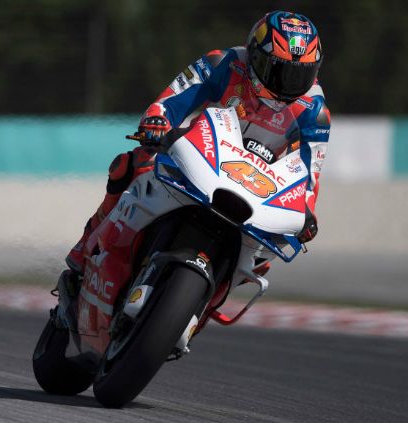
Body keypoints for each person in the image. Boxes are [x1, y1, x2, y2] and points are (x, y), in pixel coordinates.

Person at [58, 11, 330, 304]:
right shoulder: (223, 63)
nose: (285, 84)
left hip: (258, 187)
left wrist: (306, 212)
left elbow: (310, 172)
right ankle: (84, 253)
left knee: (266, 253)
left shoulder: (315, 111)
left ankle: (200, 310)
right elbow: (174, 97)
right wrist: (157, 120)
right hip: (201, 157)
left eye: (298, 75)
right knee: (133, 164)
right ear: (254, 55)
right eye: (277, 70)